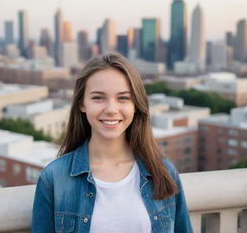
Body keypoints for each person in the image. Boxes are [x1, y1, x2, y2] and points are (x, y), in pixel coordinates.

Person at [32, 52, 193, 233]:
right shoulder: (54, 178)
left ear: (136, 105)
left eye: (123, 98)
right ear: (82, 104)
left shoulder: (164, 172)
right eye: (98, 98)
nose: (111, 109)